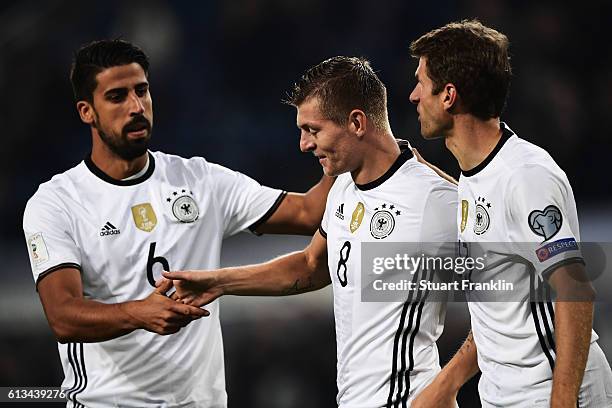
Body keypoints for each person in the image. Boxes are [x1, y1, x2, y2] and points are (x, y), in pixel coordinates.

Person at [22, 39, 335, 407]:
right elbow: (62, 316)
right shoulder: (57, 203)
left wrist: (353, 145)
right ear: (86, 111)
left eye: (142, 91)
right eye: (117, 97)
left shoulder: (198, 180)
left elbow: (308, 212)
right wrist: (138, 312)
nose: (137, 107)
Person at [163, 56, 459, 407]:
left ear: (357, 122)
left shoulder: (433, 199)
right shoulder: (343, 189)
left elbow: (516, 291)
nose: (304, 144)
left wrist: (446, 387)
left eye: (313, 130)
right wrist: (219, 282)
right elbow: (311, 265)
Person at [407, 20, 612, 407]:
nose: (413, 95)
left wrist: (562, 400)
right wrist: (446, 384)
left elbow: (575, 289)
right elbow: (500, 313)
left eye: (420, 81)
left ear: (449, 95)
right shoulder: (475, 176)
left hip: (552, 392)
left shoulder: (527, 177)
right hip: (504, 396)